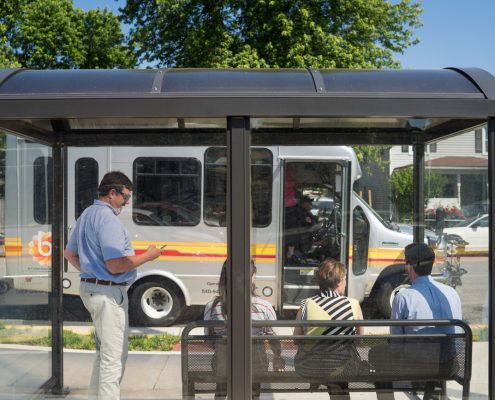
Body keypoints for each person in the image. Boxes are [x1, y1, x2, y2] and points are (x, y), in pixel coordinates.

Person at [64, 171, 162, 400]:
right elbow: (117, 265)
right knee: (113, 358)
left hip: (92, 289)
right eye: (125, 197)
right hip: (108, 294)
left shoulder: (87, 213)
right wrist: (149, 255)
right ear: (112, 193)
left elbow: (69, 253)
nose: (127, 203)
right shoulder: (108, 219)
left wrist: (92, 273)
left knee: (103, 355)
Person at [372, 242, 462, 400]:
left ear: (409, 267)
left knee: (376, 353)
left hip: (415, 365)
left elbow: (396, 342)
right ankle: (430, 393)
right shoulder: (451, 293)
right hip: (448, 363)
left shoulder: (404, 297)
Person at [204, 260, 285, 399]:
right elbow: (274, 337)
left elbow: (209, 340)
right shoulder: (264, 306)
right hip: (256, 367)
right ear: (251, 277)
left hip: (222, 367)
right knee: (255, 382)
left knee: (221, 377)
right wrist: (278, 356)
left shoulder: (212, 306)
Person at [294, 259, 364, 400]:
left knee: (326, 365)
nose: (345, 282)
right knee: (339, 367)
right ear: (338, 282)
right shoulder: (353, 304)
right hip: (343, 367)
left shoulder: (306, 304)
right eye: (344, 279)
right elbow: (360, 339)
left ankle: (318, 380)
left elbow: (296, 338)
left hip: (309, 366)